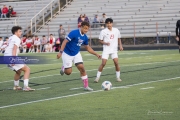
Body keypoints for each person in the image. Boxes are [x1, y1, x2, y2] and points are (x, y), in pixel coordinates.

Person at [57, 21, 101, 91]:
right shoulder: (74, 33)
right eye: (85, 28)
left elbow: (88, 48)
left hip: (76, 54)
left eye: (87, 29)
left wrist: (96, 54)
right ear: (81, 27)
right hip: (67, 53)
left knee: (82, 68)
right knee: (68, 73)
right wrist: (60, 52)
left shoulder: (85, 38)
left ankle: (86, 86)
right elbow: (65, 41)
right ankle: (63, 67)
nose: (86, 30)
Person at [4, 26, 35, 91]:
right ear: (15, 32)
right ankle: (26, 87)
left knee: (18, 71)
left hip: (5, 57)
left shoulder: (11, 37)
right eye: (19, 31)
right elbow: (14, 49)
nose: (21, 32)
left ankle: (16, 86)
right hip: (11, 56)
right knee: (27, 69)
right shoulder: (17, 39)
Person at [94, 18, 123, 83]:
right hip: (106, 50)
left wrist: (120, 45)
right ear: (106, 24)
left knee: (116, 63)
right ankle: (97, 77)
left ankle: (118, 77)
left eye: (110, 23)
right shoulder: (103, 31)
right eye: (107, 23)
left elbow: (119, 38)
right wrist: (105, 43)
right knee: (103, 63)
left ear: (112, 23)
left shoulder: (116, 30)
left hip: (114, 50)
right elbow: (100, 41)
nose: (109, 24)